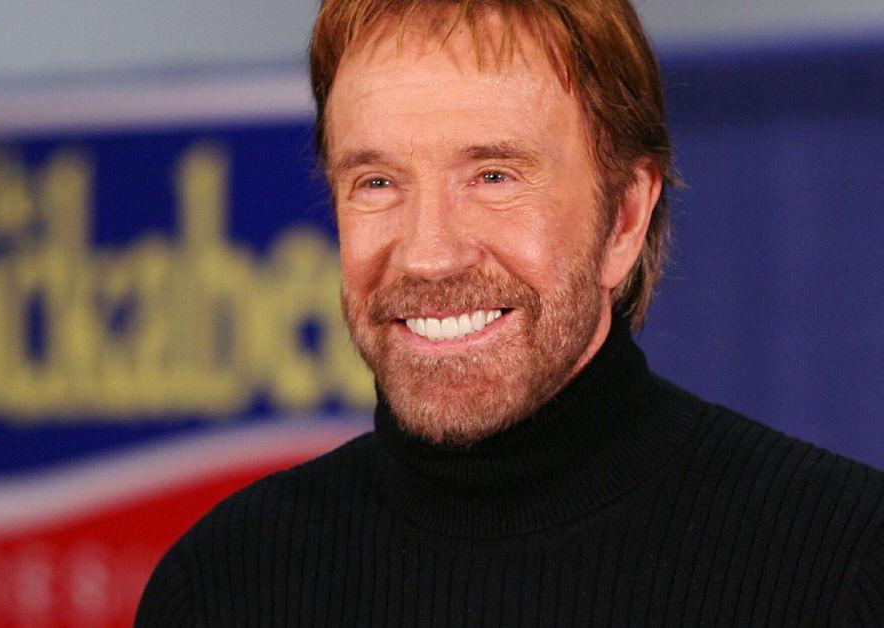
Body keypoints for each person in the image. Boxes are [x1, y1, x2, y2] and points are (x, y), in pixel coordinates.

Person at [137, 0, 884, 624]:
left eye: (494, 176)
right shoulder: (221, 586)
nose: (428, 255)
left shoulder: (841, 565)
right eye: (377, 183)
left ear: (624, 219)